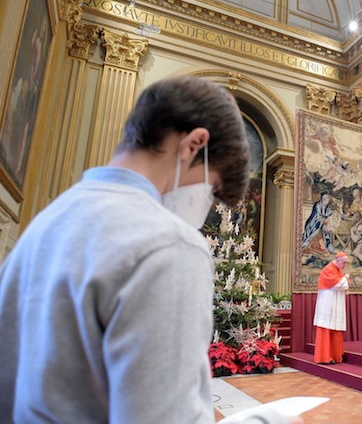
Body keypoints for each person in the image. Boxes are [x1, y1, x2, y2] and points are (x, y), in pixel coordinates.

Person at [0, 76, 292, 423]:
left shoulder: (45, 223)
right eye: (212, 190)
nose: (205, 210)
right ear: (194, 145)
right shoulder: (169, 245)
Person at [313, 252, 350, 364]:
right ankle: (324, 357)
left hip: (336, 303)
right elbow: (338, 284)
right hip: (328, 303)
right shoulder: (328, 269)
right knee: (326, 327)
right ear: (338, 260)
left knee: (335, 328)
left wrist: (345, 280)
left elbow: (342, 283)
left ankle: (335, 354)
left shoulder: (338, 270)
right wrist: (346, 279)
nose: (344, 265)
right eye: (343, 263)